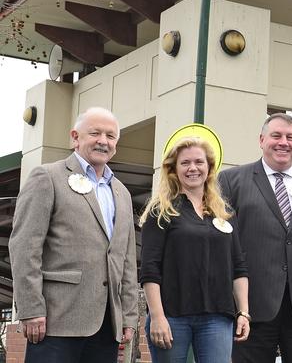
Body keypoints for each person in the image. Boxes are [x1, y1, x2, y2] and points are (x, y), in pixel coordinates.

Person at [8, 107, 139, 363]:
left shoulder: (122, 192)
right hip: (56, 320)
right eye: (95, 133)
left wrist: (128, 317)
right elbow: (25, 246)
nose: (103, 140)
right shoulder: (47, 177)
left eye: (111, 136)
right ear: (75, 137)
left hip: (106, 325)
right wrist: (31, 308)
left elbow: (126, 261)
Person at [218, 113, 292, 363]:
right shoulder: (231, 181)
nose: (283, 142)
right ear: (262, 140)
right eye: (276, 136)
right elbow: (224, 244)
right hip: (251, 307)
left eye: (290, 137)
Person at [139, 136, 249, 363]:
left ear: (209, 168)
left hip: (218, 316)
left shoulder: (224, 213)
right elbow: (150, 270)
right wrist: (157, 316)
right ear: (173, 169)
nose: (193, 168)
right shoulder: (161, 211)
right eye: (185, 163)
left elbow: (238, 267)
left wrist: (244, 312)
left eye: (199, 162)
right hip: (172, 316)